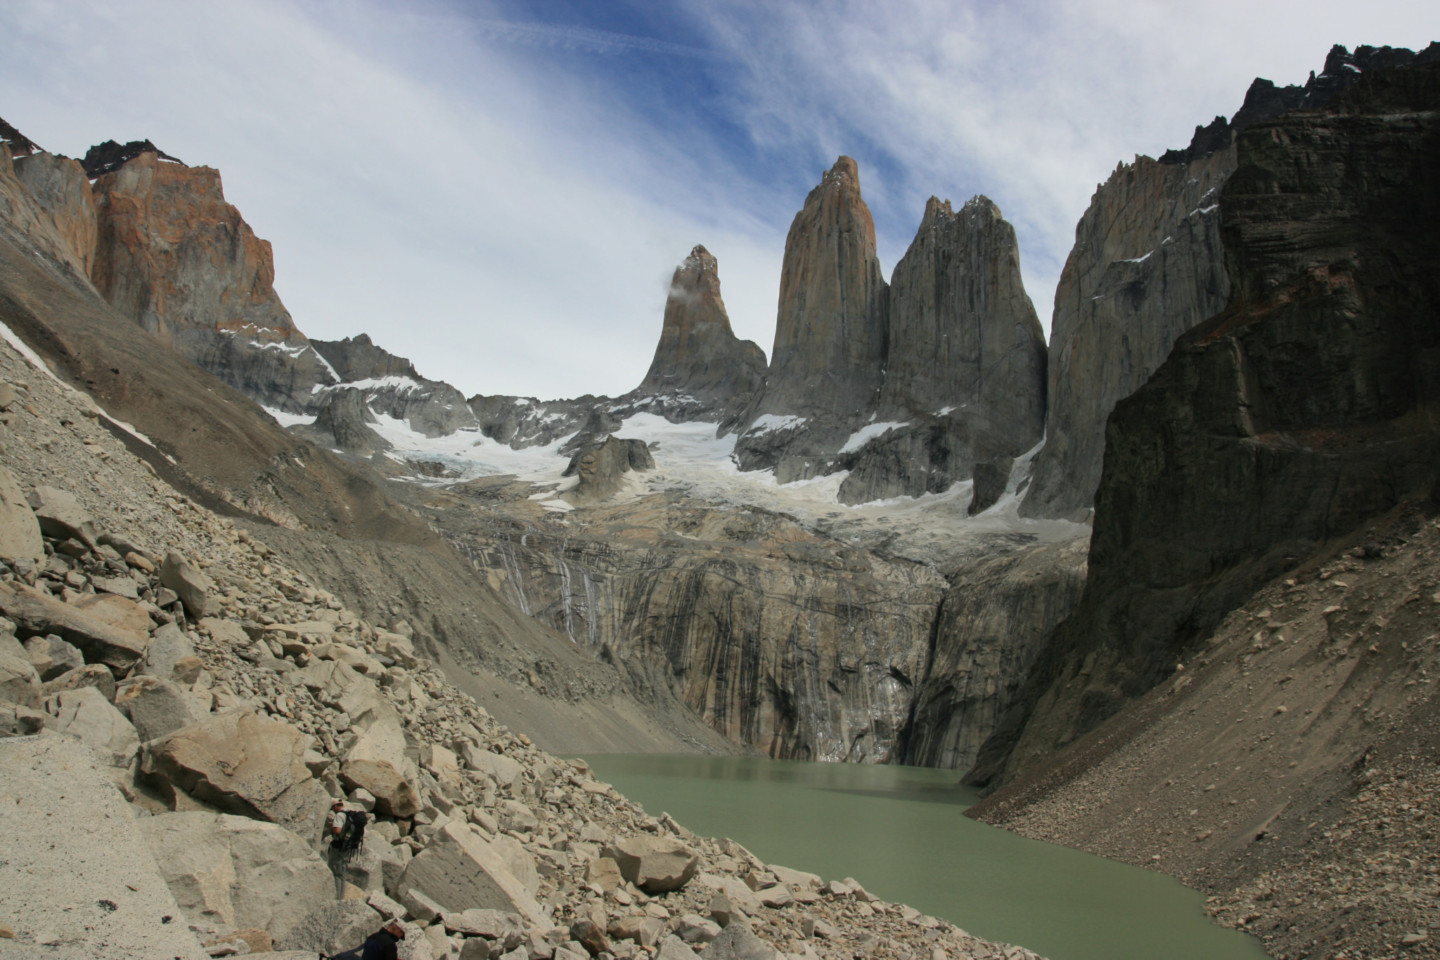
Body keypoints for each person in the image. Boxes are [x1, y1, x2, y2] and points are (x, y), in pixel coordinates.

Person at [326, 919, 406, 960]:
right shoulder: (389, 944)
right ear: (398, 930)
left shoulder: (374, 936)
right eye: (401, 935)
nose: (399, 938)